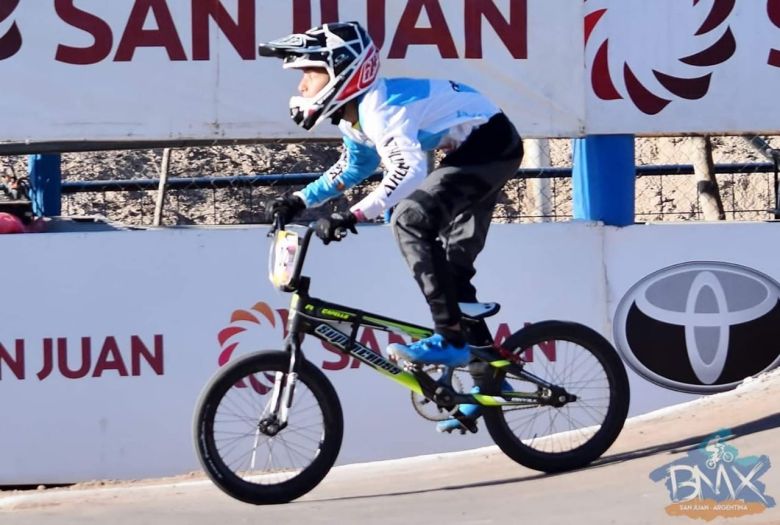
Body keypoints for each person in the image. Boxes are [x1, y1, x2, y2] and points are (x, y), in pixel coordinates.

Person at [260, 21, 523, 432]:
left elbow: (407, 170)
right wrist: (300, 201)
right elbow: (353, 168)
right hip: (472, 148)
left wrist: (353, 215)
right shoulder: (355, 119)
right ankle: (485, 384)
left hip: (490, 146)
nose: (303, 86)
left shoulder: (382, 108)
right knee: (453, 276)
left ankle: (450, 341)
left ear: (343, 72)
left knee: (407, 217)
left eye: (311, 74)